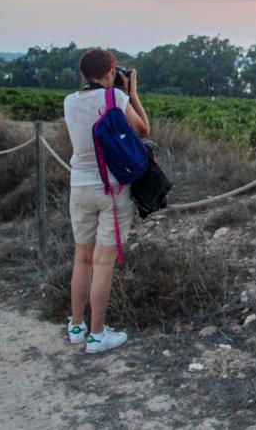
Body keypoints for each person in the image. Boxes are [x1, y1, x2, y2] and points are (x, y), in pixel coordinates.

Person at [63, 48, 150, 353]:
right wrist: (131, 93)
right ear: (111, 72)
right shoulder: (116, 99)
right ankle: (98, 335)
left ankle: (77, 326)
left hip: (79, 186)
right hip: (111, 191)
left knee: (82, 258)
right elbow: (143, 129)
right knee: (103, 262)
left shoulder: (70, 101)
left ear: (83, 74)